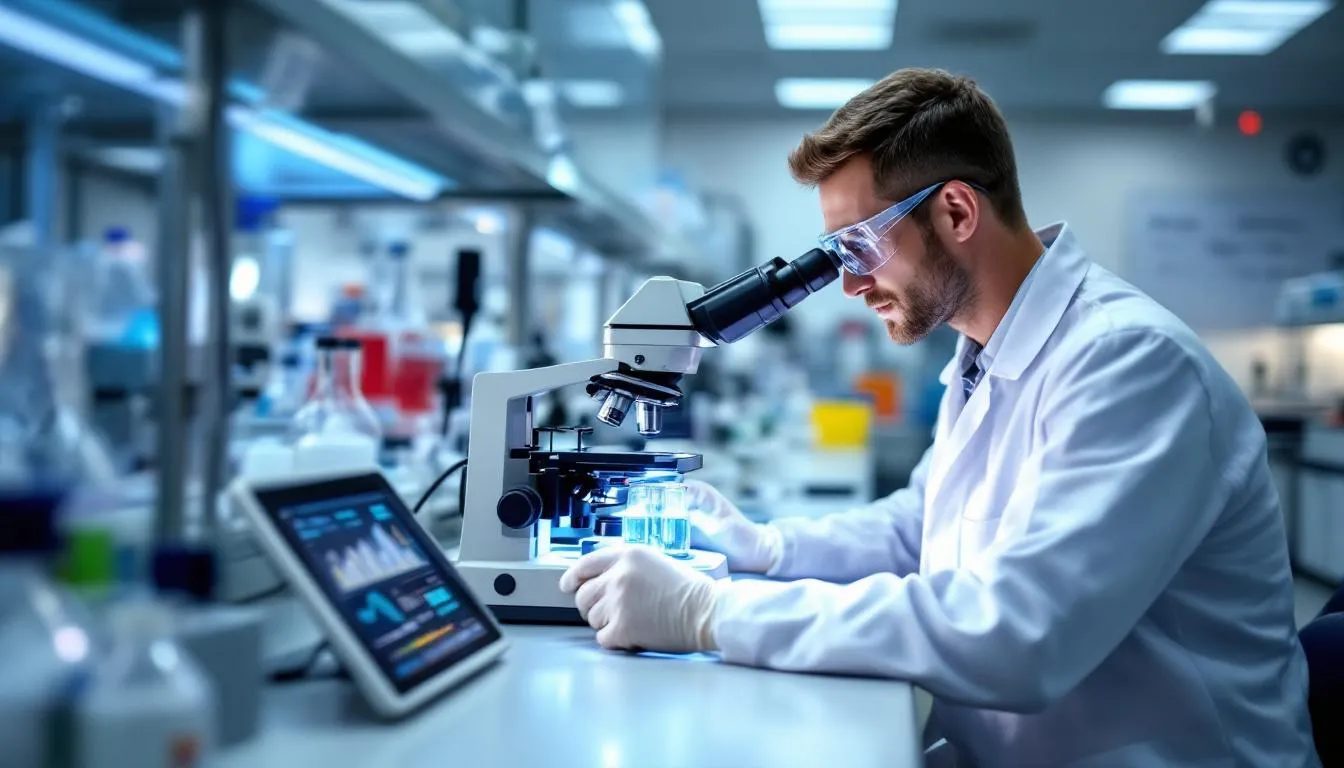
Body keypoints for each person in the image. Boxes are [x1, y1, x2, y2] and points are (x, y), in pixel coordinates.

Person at [559, 68, 1319, 766]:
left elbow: (1019, 635)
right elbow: (919, 529)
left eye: (858, 247)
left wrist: (709, 610)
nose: (851, 285)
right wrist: (767, 546)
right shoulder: (985, 350)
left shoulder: (1131, 364)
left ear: (956, 210)